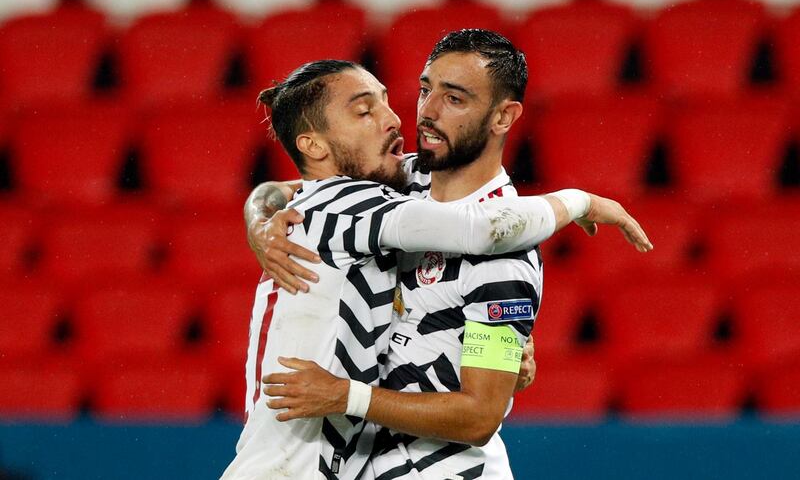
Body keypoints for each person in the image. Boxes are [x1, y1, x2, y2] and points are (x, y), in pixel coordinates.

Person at [243, 31, 652, 479]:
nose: (424, 112)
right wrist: (261, 216)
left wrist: (347, 396)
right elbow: (310, 187)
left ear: (503, 117)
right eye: (424, 90)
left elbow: (478, 417)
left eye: (454, 99)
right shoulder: (400, 180)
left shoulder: (507, 257)